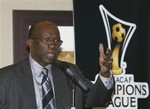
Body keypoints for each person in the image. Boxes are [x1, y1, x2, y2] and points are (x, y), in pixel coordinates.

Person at [0, 20, 115, 109]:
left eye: (57, 41)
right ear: (30, 42)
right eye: (47, 39)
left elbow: (96, 99)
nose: (53, 45)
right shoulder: (6, 77)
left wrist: (105, 74)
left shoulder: (70, 72)